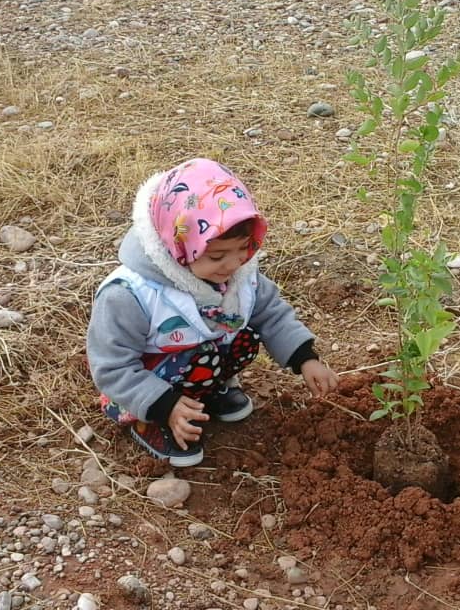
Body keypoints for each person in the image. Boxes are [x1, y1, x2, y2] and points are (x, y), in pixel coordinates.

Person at [87, 158, 339, 467]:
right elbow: (112, 367)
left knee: (243, 335)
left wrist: (305, 359)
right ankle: (151, 423)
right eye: (217, 255)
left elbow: (271, 313)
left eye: (243, 249)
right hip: (140, 387)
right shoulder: (130, 295)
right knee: (196, 357)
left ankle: (208, 393)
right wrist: (164, 405)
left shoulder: (240, 275)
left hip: (197, 364)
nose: (233, 264)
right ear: (179, 245)